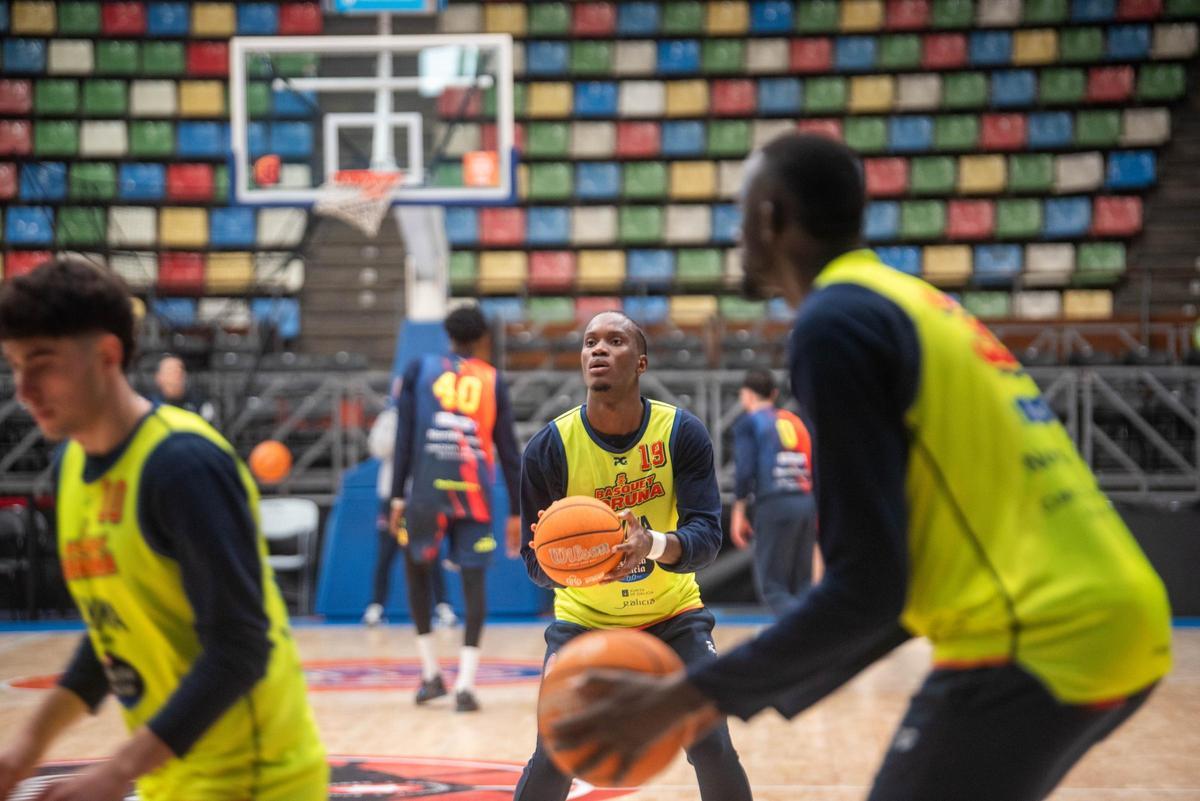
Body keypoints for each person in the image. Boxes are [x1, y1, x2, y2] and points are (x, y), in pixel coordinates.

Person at [550, 134, 1173, 801]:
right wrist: (715, 695)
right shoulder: (910, 300)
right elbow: (893, 585)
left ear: (771, 215)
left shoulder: (835, 323)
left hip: (1038, 633)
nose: (736, 233)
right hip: (1115, 615)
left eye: (741, 211)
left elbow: (869, 584)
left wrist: (686, 694)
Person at [0, 258, 327, 801]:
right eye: (13, 366)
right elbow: (114, 637)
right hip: (170, 776)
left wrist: (114, 771)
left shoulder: (183, 466)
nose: (24, 389)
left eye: (42, 363)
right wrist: (23, 752)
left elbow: (241, 649)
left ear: (107, 355)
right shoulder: (71, 469)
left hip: (257, 778)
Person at [513, 310, 753, 801]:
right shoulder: (549, 448)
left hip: (672, 617)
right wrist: (584, 563)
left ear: (640, 362)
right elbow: (536, 566)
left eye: (615, 341)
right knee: (557, 752)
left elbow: (706, 536)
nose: (598, 349)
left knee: (710, 744)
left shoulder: (681, 433)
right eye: (589, 342)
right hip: (585, 623)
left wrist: (652, 544)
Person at [388, 305, 521, 712]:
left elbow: (404, 437)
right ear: (483, 340)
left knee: (416, 573)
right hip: (474, 494)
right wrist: (516, 510)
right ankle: (465, 684)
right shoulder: (492, 379)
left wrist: (396, 495)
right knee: (474, 584)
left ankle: (431, 675)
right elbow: (510, 451)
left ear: (447, 336)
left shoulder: (419, 370)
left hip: (426, 492)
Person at [362, 402, 457, 629]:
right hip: (392, 497)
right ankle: (376, 606)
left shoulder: (433, 415)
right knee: (386, 552)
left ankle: (443, 606)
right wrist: (402, 434)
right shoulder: (389, 418)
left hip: (423, 496)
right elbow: (378, 449)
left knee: (429, 552)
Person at [730, 367, 817, 615]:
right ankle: (813, 643)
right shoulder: (795, 420)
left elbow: (745, 470)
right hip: (806, 502)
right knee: (802, 586)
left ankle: (801, 639)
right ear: (775, 393)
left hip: (775, 503)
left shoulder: (749, 422)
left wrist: (738, 512)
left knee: (773, 588)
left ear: (746, 395)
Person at [150, 354, 216, 424]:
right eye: (170, 371)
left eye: (180, 370)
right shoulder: (149, 404)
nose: (176, 375)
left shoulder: (199, 402)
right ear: (158, 377)